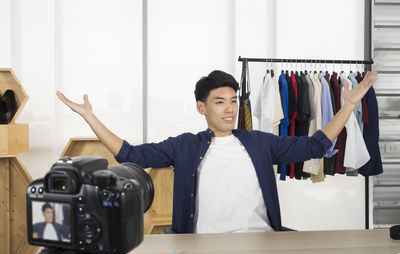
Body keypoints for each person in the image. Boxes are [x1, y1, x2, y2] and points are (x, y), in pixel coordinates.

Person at [57, 69, 377, 233]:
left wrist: (348, 106)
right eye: (220, 102)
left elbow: (316, 145)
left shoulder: (260, 143)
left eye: (234, 101)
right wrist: (89, 117)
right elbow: (130, 155)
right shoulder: (184, 146)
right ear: (201, 107)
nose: (230, 110)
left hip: (260, 240)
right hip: (204, 246)